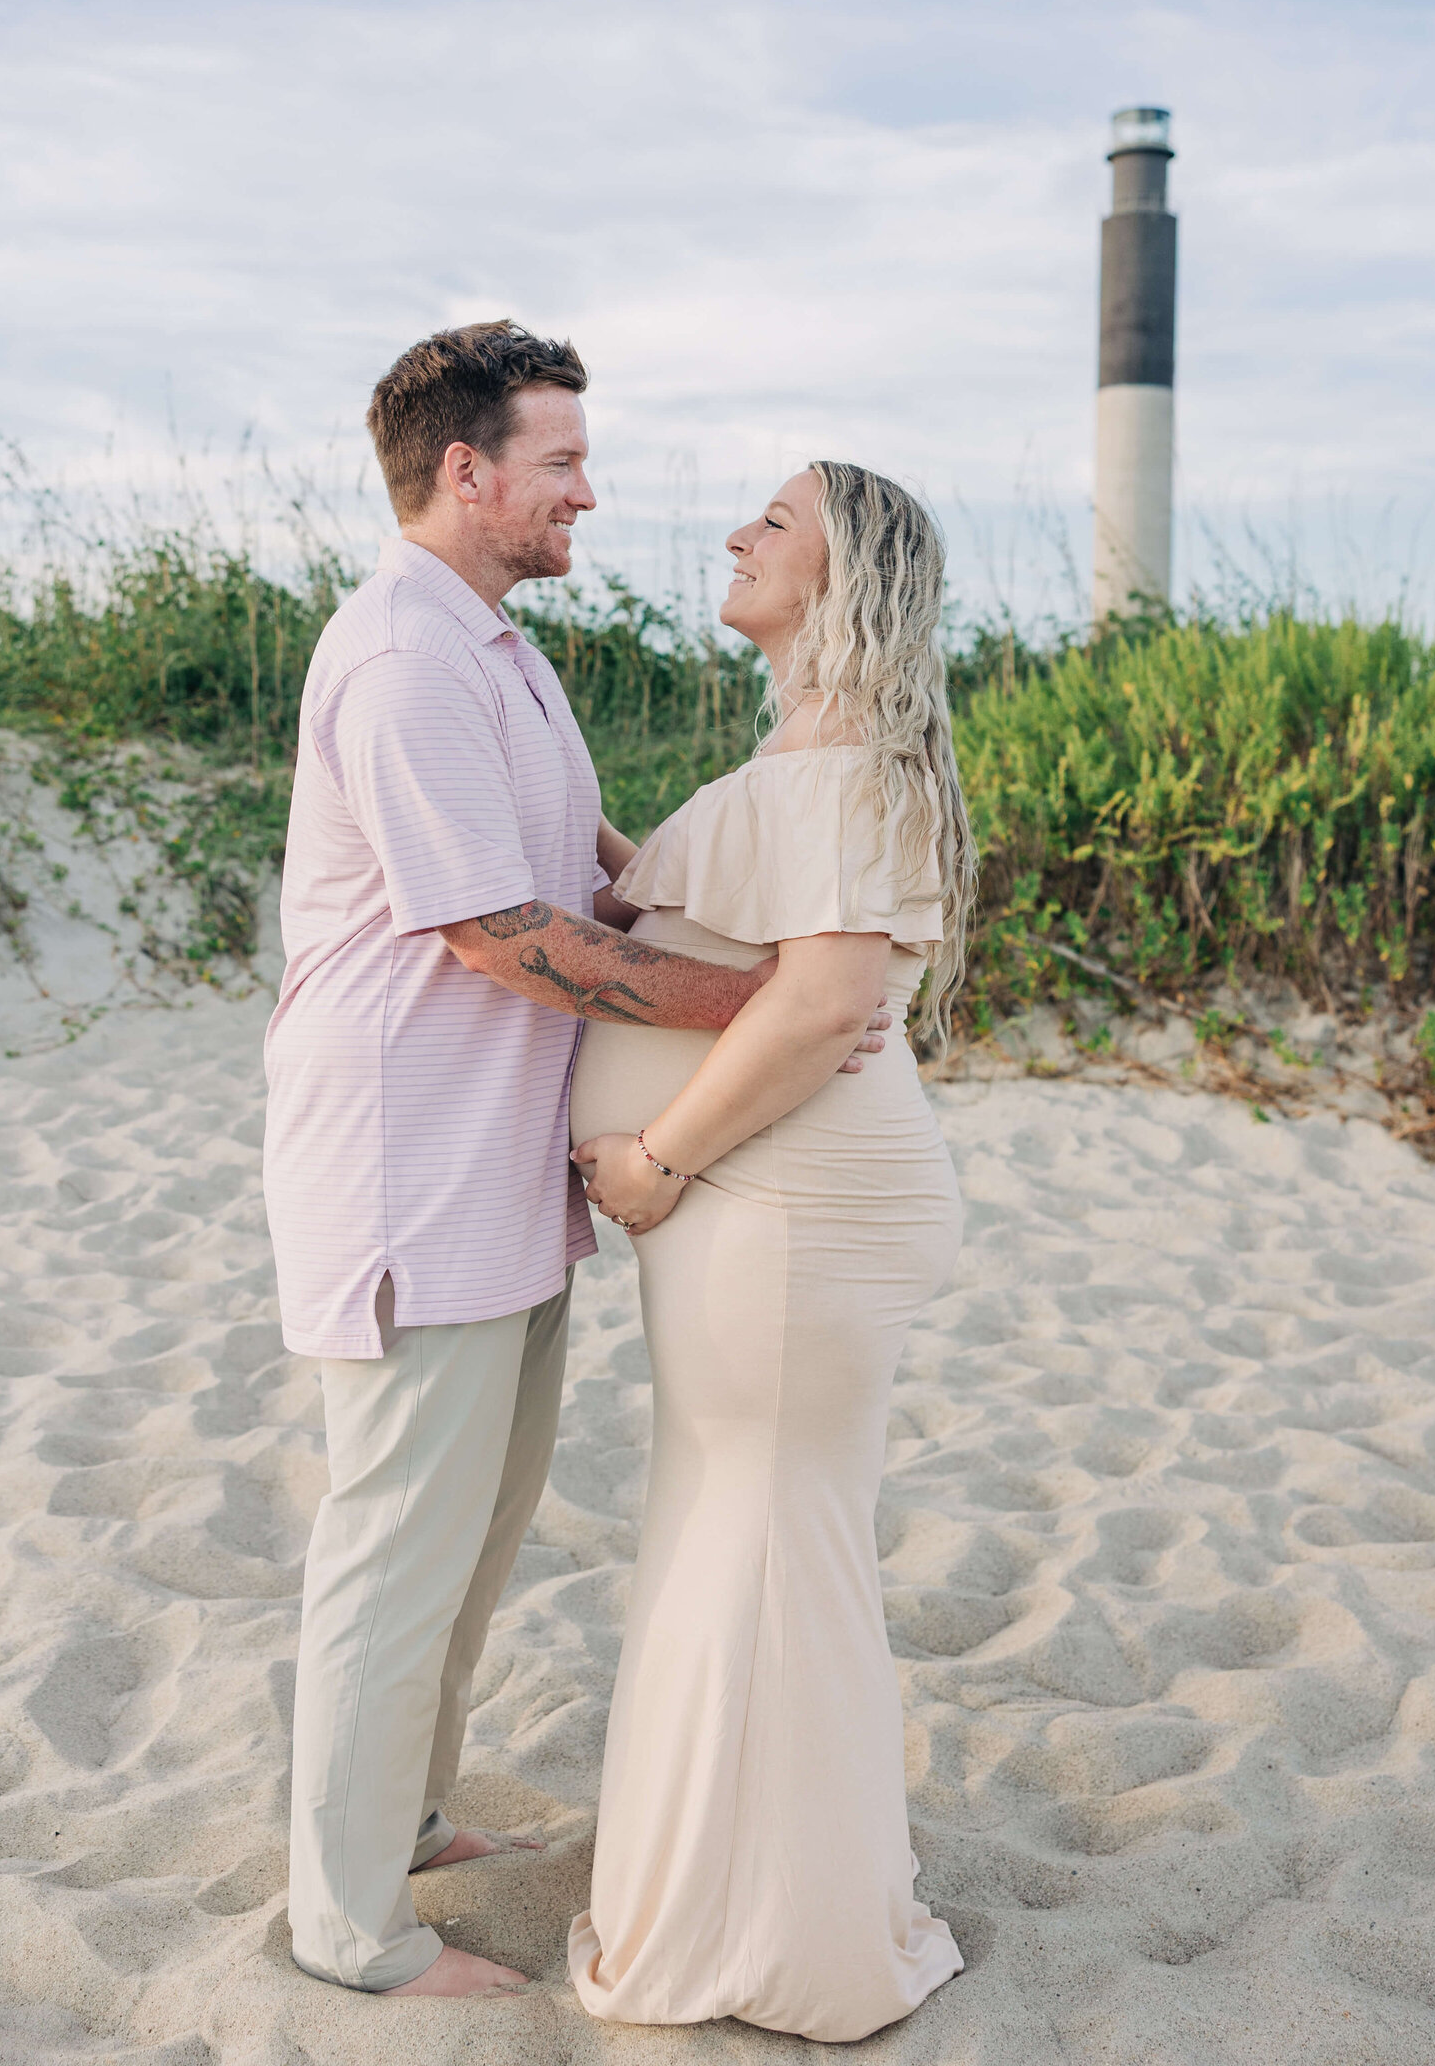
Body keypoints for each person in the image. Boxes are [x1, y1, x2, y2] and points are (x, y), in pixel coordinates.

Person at [263, 322, 891, 2000]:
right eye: (560, 463)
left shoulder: (500, 652)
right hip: (411, 1170)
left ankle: (398, 1823)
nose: (588, 494)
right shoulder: (402, 659)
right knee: (396, 1546)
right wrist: (767, 998)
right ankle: (347, 1935)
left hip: (502, 1181)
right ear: (464, 473)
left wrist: (744, 947)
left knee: (470, 1537)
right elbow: (499, 935)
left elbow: (585, 874)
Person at [567, 458, 974, 2042]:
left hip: (787, 1206)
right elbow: (689, 911)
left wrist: (658, 1162)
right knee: (737, 1530)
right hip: (774, 1200)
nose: (736, 534)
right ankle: (741, 1899)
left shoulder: (849, 762)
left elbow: (818, 1003)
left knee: (759, 1541)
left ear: (848, 577)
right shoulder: (803, 757)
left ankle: (777, 1944)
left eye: (775, 521)